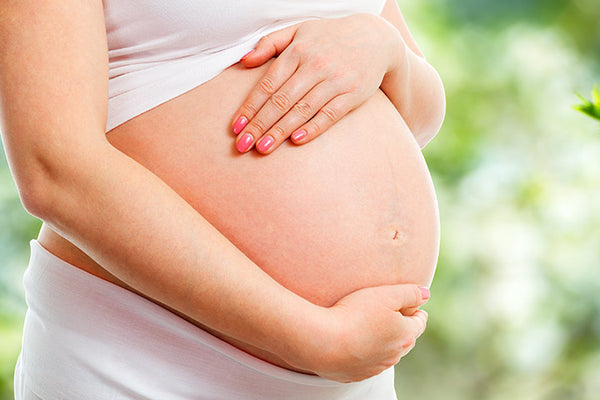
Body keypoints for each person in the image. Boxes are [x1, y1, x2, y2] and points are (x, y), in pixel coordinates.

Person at [0, 0, 445, 398]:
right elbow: (54, 169)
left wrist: (388, 51)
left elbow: (419, 120)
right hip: (143, 358)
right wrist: (314, 338)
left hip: (347, 374)